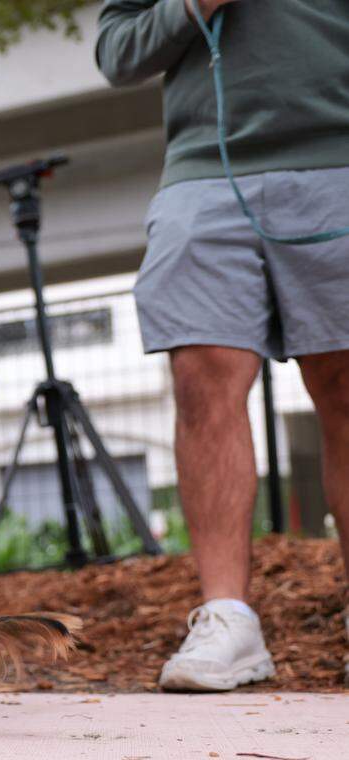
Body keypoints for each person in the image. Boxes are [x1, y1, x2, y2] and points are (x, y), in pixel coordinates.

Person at [97, 0, 349, 691]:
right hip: (204, 172)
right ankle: (227, 617)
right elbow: (117, 51)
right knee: (200, 380)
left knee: (345, 388)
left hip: (341, 160)